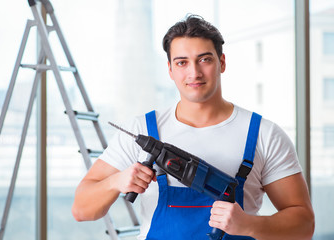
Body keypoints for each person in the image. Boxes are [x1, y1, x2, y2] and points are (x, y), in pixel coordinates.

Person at [72, 15, 315, 240]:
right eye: (182, 62)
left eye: (204, 59)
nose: (194, 73)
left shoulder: (264, 134)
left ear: (222, 62)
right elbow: (82, 210)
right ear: (170, 69)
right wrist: (116, 181)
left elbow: (304, 224)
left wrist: (250, 225)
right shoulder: (143, 129)